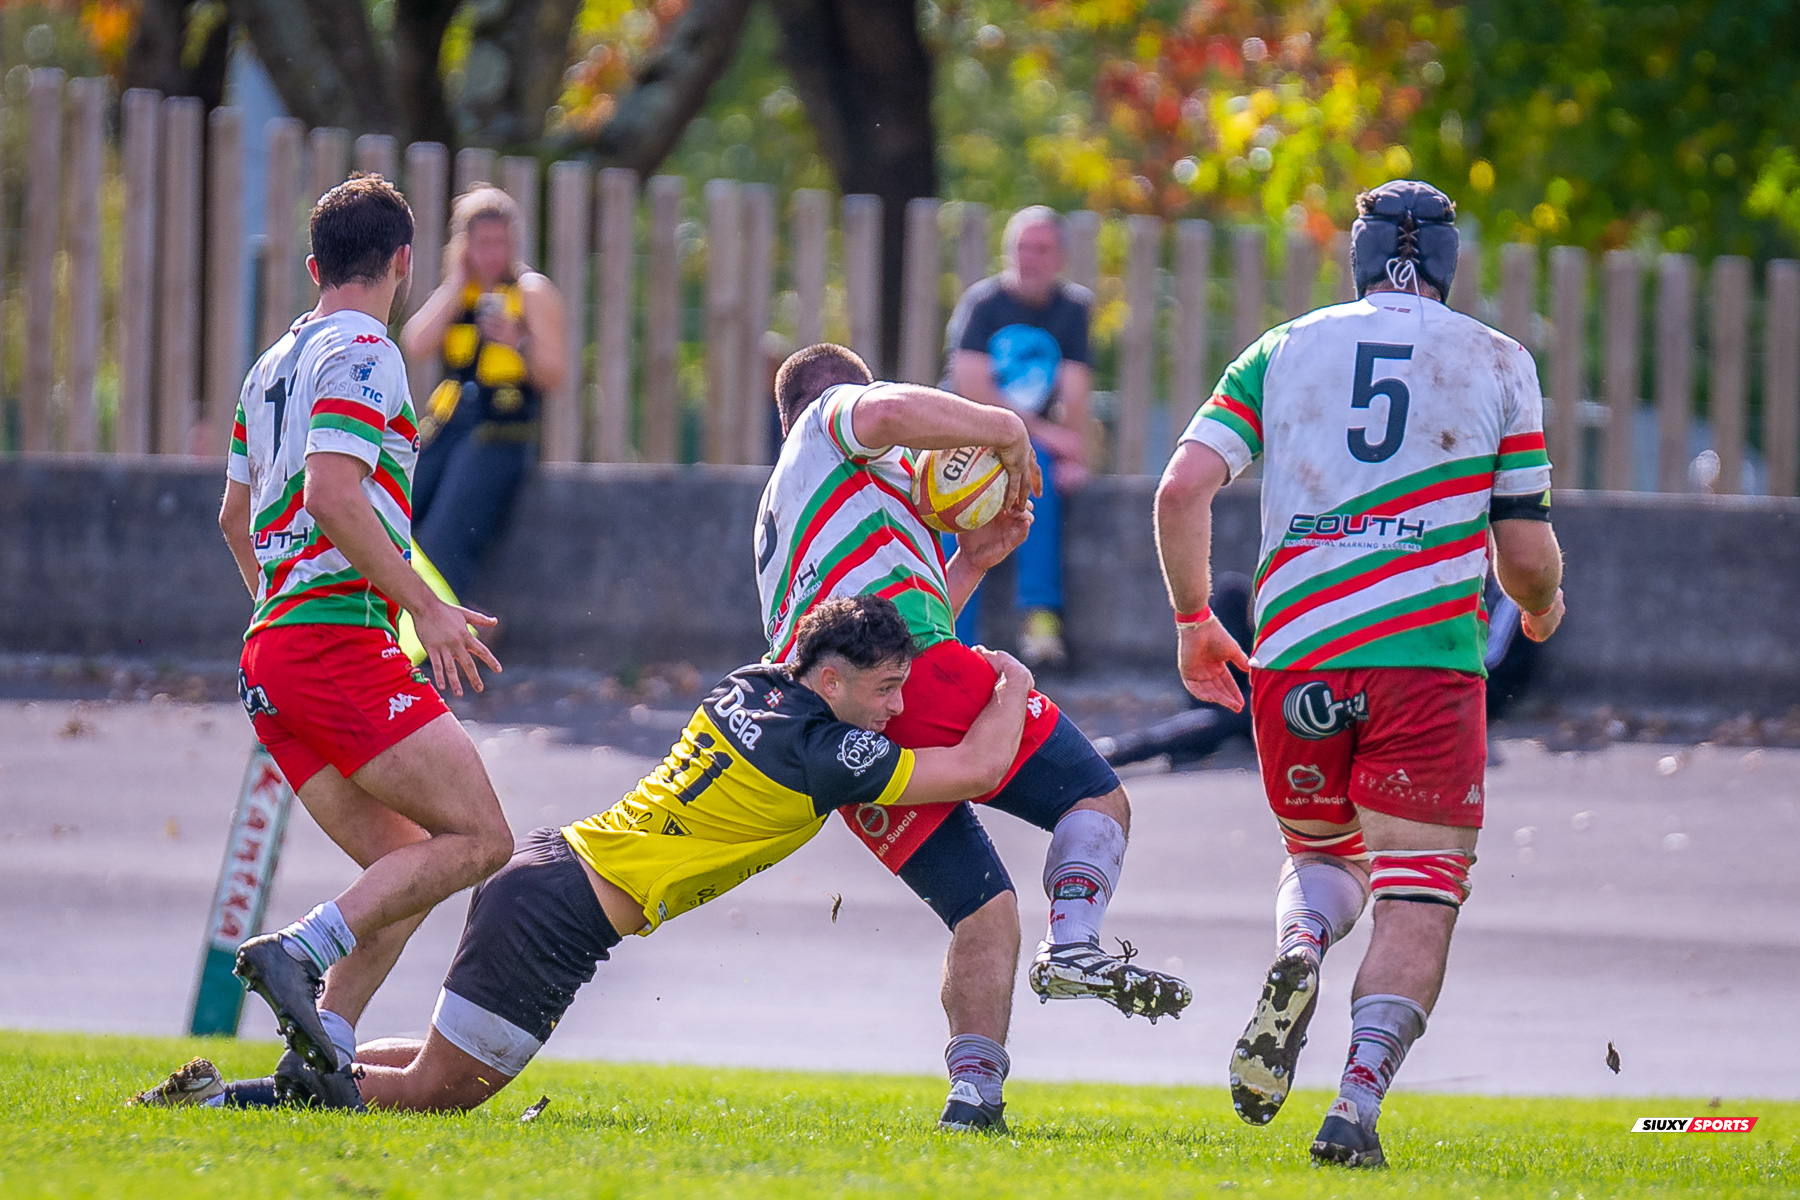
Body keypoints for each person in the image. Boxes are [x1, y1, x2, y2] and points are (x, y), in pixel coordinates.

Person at [131, 597, 1034, 1119]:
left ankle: (279, 1083)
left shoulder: (756, 683)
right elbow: (984, 765)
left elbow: (861, 649)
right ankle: (234, 1103)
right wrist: (1013, 684)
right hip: (563, 913)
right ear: (829, 681)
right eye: (885, 689)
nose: (896, 706)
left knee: (443, 1064)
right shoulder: (830, 754)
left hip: (546, 871)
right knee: (448, 1093)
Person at [1152, 180, 1566, 1168]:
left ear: (1356, 256)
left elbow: (1181, 491)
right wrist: (1544, 608)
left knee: (1326, 859)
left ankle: (1300, 950)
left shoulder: (1283, 349)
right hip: (1425, 668)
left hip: (1296, 659)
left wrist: (1193, 622)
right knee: (1419, 887)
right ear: (1448, 265)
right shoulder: (1499, 360)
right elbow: (1526, 553)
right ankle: (1356, 1103)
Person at [756, 343, 1191, 1133]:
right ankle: (1077, 943)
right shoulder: (830, 424)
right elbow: (885, 414)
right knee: (1095, 797)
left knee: (982, 910)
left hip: (836, 729)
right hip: (916, 680)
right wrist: (1005, 427)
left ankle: (973, 1101)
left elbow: (874, 640)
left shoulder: (802, 508)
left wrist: (971, 561)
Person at [217, 174, 516, 1108]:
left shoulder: (272, 363)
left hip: (274, 652)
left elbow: (235, 517)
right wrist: (423, 607)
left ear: (312, 266)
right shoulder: (366, 347)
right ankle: (299, 952)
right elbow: (333, 494)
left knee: (403, 872)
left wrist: (281, 610)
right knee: (482, 838)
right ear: (404, 263)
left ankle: (319, 1056)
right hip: (331, 641)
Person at [399, 185, 567, 597]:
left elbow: (555, 374)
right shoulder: (459, 293)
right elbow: (415, 344)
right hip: (452, 427)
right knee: (397, 514)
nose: (493, 254)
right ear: (464, 246)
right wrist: (455, 284)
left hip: (502, 433)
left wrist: (519, 341)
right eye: (483, 244)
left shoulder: (531, 292)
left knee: (443, 536)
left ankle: (457, 635)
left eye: (502, 243)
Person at [943, 206, 1093, 666]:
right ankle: (950, 636)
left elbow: (1076, 387)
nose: (1031, 258)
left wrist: (1074, 450)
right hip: (967, 436)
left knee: (1041, 474)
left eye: (1042, 248)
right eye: (1022, 248)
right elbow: (971, 387)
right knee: (955, 502)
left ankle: (1041, 620)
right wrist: (1049, 434)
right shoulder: (983, 305)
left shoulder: (1073, 309)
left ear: (1061, 257)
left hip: (1031, 447)